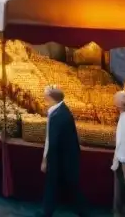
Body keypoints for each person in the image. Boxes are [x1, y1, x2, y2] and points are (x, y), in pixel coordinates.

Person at [41, 86, 88, 216]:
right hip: (65, 156)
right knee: (64, 184)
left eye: (45, 95)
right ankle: (48, 211)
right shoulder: (59, 110)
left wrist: (46, 160)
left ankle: (49, 212)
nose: (43, 97)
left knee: (65, 184)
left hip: (62, 157)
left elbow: (51, 140)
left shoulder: (58, 115)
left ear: (50, 98)